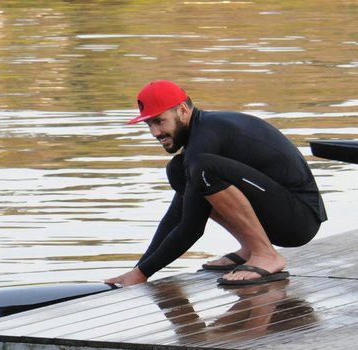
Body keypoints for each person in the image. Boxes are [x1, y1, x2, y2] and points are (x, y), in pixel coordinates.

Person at [105, 80, 326, 287]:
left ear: (182, 110)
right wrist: (139, 269)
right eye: (149, 124)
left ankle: (266, 254)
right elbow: (177, 214)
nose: (154, 132)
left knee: (204, 169)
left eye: (159, 121)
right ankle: (251, 248)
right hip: (281, 213)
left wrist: (144, 273)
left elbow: (191, 227)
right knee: (178, 170)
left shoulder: (206, 139)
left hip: (299, 219)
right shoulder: (201, 135)